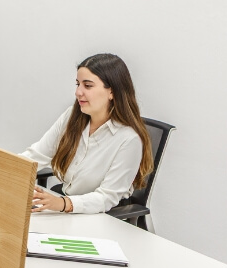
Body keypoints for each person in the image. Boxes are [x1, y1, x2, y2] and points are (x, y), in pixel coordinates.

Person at [20, 53, 153, 214]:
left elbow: (106, 197)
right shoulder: (72, 116)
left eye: (88, 86)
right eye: (78, 84)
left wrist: (63, 203)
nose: (78, 92)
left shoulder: (129, 139)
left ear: (112, 92)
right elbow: (36, 155)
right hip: (68, 208)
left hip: (103, 216)